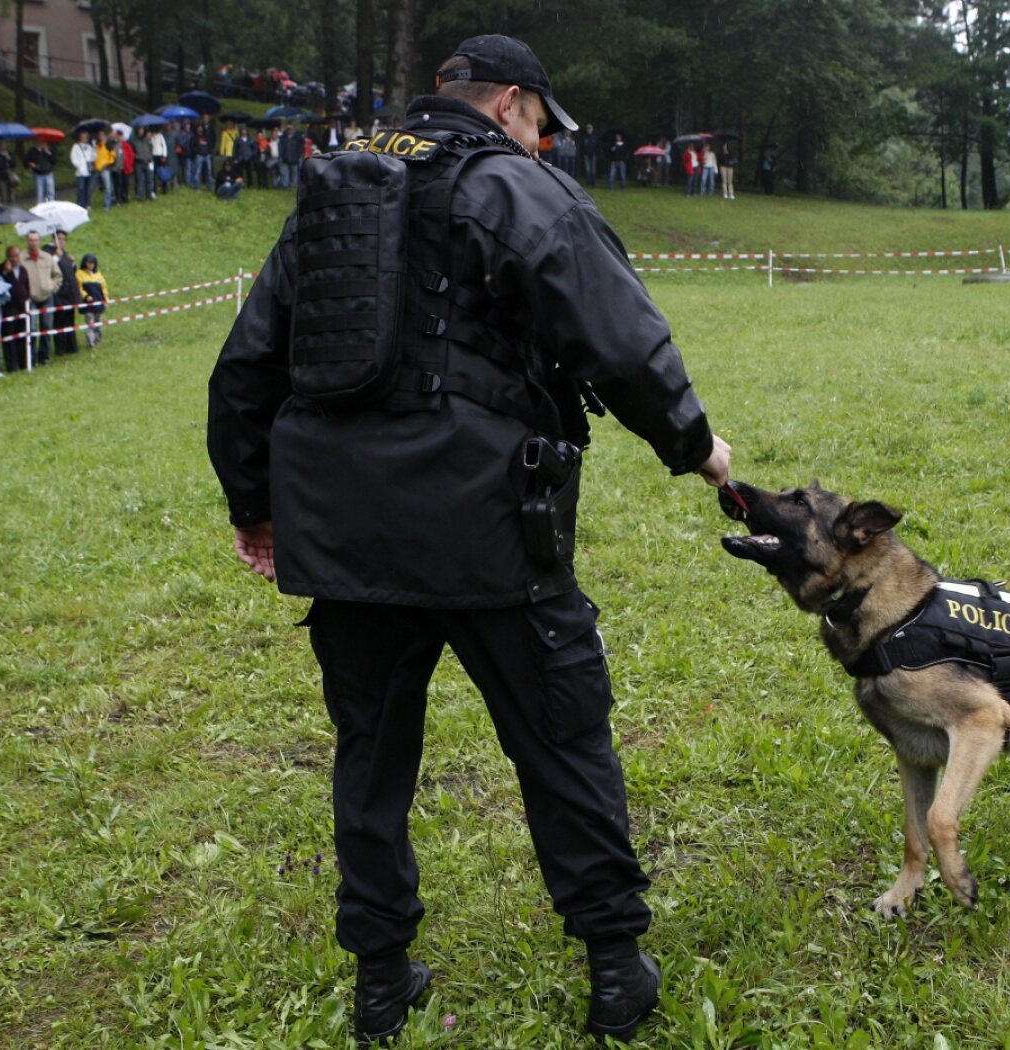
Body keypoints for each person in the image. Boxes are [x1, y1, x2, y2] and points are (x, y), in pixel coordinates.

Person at [207, 33, 732, 1048]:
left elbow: (247, 363)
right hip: (492, 531)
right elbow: (618, 337)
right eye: (541, 126)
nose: (544, 146)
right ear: (510, 106)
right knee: (562, 737)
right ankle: (615, 968)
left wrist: (252, 504)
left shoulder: (333, 189)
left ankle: (378, 981)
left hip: (349, 539)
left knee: (372, 755)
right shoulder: (513, 188)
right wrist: (694, 445)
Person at [23, 230, 62, 365]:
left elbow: (57, 275)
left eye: (36, 240)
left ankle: (44, 356)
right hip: (31, 298)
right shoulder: (22, 258)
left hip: (46, 296)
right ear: (27, 241)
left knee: (46, 326)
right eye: (31, 240)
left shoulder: (47, 257)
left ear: (39, 241)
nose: (33, 242)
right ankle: (31, 357)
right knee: (31, 328)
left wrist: (52, 287)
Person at [0, 245, 30, 372]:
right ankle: (12, 365)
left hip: (22, 307)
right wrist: (5, 273)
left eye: (16, 256)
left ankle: (24, 362)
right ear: (7, 257)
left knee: (22, 335)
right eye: (12, 256)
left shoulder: (23, 270)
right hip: (8, 308)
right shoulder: (0, 269)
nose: (14, 259)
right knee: (9, 336)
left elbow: (27, 286)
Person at [51, 230, 80, 357]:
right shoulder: (49, 252)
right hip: (59, 293)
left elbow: (71, 272)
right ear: (54, 239)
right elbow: (50, 268)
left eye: (64, 239)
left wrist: (72, 263)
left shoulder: (65, 254)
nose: (61, 241)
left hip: (69, 293)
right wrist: (57, 257)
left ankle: (71, 345)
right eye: (59, 238)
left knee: (70, 320)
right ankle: (60, 348)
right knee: (60, 321)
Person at [76, 253, 107, 348]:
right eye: (89, 263)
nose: (91, 265)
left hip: (99, 302)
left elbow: (104, 288)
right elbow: (78, 288)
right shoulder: (79, 274)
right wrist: (85, 296)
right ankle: (90, 343)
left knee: (99, 323)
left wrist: (106, 300)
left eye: (93, 263)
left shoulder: (98, 275)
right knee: (90, 323)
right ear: (85, 263)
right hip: (88, 304)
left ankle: (98, 341)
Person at [26, 139, 56, 204]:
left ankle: (52, 205)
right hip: (38, 175)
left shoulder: (49, 150)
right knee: (40, 193)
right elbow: (26, 161)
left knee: (51, 192)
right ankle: (40, 208)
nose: (43, 143)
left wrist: (48, 153)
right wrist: (30, 164)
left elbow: (54, 161)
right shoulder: (32, 151)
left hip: (49, 173)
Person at [95, 133, 116, 209]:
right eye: (100, 136)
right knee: (104, 186)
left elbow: (112, 155)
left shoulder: (108, 144)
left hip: (105, 168)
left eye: (102, 135)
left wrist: (108, 164)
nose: (101, 137)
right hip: (97, 168)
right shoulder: (97, 145)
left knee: (108, 186)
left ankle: (107, 204)